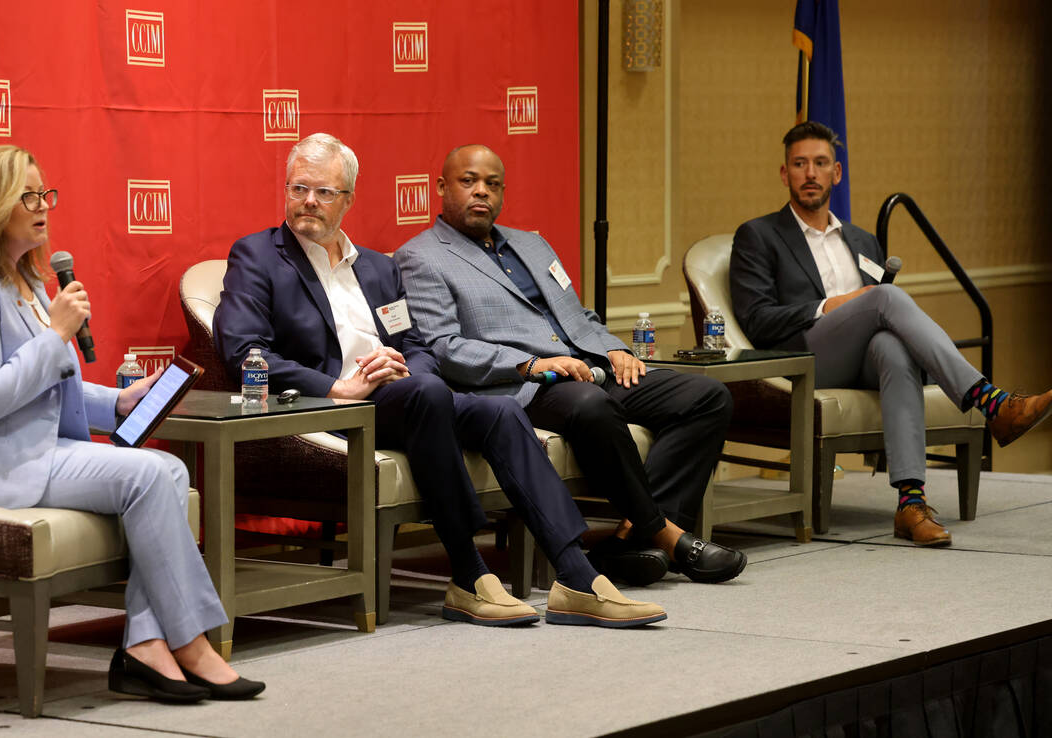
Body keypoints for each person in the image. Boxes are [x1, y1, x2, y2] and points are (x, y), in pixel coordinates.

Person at [213, 133, 665, 628]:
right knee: (429, 392)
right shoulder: (257, 256)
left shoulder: (380, 269)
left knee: (500, 410)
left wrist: (405, 370)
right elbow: (244, 351)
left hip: (403, 397)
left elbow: (419, 349)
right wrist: (337, 387)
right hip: (329, 408)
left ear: (348, 200)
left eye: (324, 192)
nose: (309, 202)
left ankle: (577, 576)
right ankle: (469, 574)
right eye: (299, 188)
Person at [0, 145, 263, 703]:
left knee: (164, 471)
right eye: (27, 195)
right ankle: (188, 641)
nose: (43, 205)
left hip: (32, 450)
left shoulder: (27, 279)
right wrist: (56, 335)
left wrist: (118, 402)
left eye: (46, 193)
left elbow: (52, 385)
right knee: (152, 473)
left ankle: (147, 644)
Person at [395, 144, 747, 586]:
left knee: (707, 396)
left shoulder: (531, 244)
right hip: (522, 384)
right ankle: (667, 535)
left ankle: (633, 539)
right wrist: (532, 363)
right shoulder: (421, 256)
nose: (481, 192)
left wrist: (613, 350)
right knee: (590, 405)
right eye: (468, 182)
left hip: (589, 366)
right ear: (442, 187)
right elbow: (443, 347)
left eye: (492, 184)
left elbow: (579, 317)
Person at [729, 121, 1052, 546]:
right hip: (805, 357)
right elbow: (757, 320)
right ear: (784, 173)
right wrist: (832, 305)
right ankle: (993, 403)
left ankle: (910, 504)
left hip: (860, 357)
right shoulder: (759, 235)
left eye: (820, 163)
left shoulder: (862, 240)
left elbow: (880, 317)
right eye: (799, 163)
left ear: (837, 173)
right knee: (883, 298)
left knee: (892, 348)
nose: (810, 173)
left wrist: (865, 304)